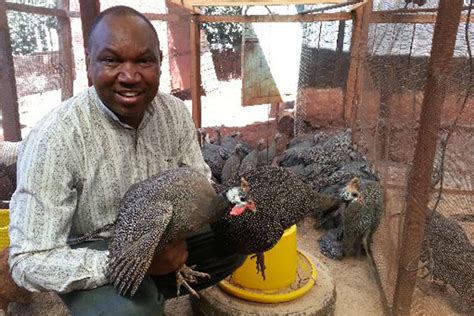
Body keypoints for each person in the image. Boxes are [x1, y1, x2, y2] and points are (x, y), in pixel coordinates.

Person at [8, 6, 244, 315]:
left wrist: (231, 210)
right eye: (111, 60)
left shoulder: (174, 113)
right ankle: (133, 298)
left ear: (159, 61)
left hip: (160, 229)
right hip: (97, 247)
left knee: (240, 238)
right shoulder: (56, 137)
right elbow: (28, 259)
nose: (130, 76)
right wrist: (134, 262)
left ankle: (150, 290)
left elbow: (199, 184)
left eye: (144, 60)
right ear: (90, 63)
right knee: (129, 313)